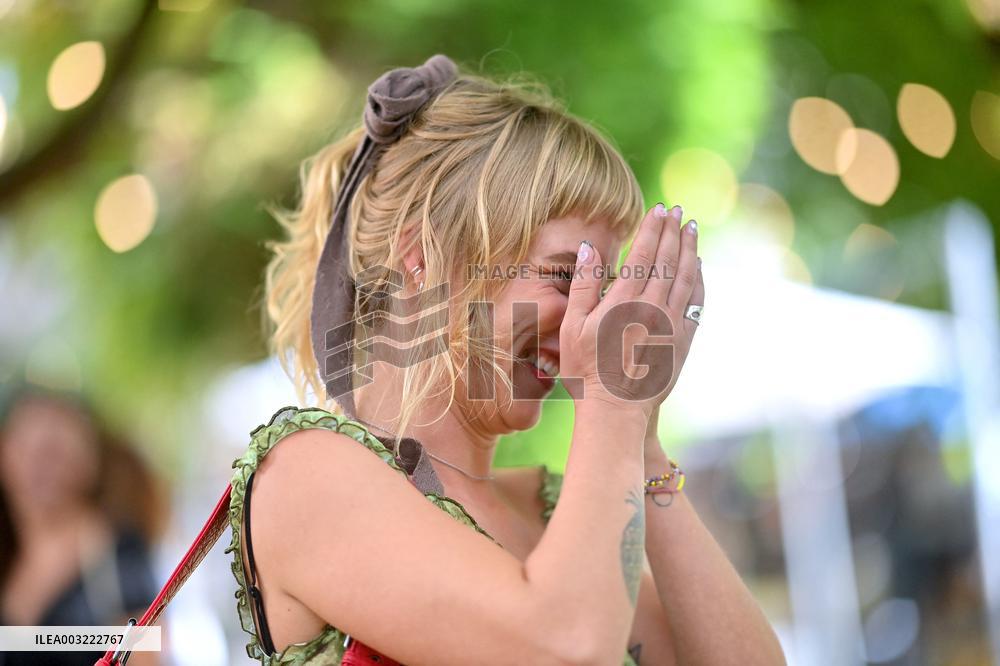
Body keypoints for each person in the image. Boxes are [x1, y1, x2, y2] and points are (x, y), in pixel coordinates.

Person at [229, 54, 786, 665]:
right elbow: (566, 648)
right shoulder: (309, 473)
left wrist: (643, 439)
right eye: (564, 277)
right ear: (425, 256)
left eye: (602, 291)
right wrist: (610, 409)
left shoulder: (548, 511)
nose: (589, 321)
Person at [0, 383, 162, 665]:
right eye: (27, 449)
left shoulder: (117, 554)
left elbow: (146, 650)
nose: (38, 470)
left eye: (53, 453)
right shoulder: (7, 552)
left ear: (87, 461)